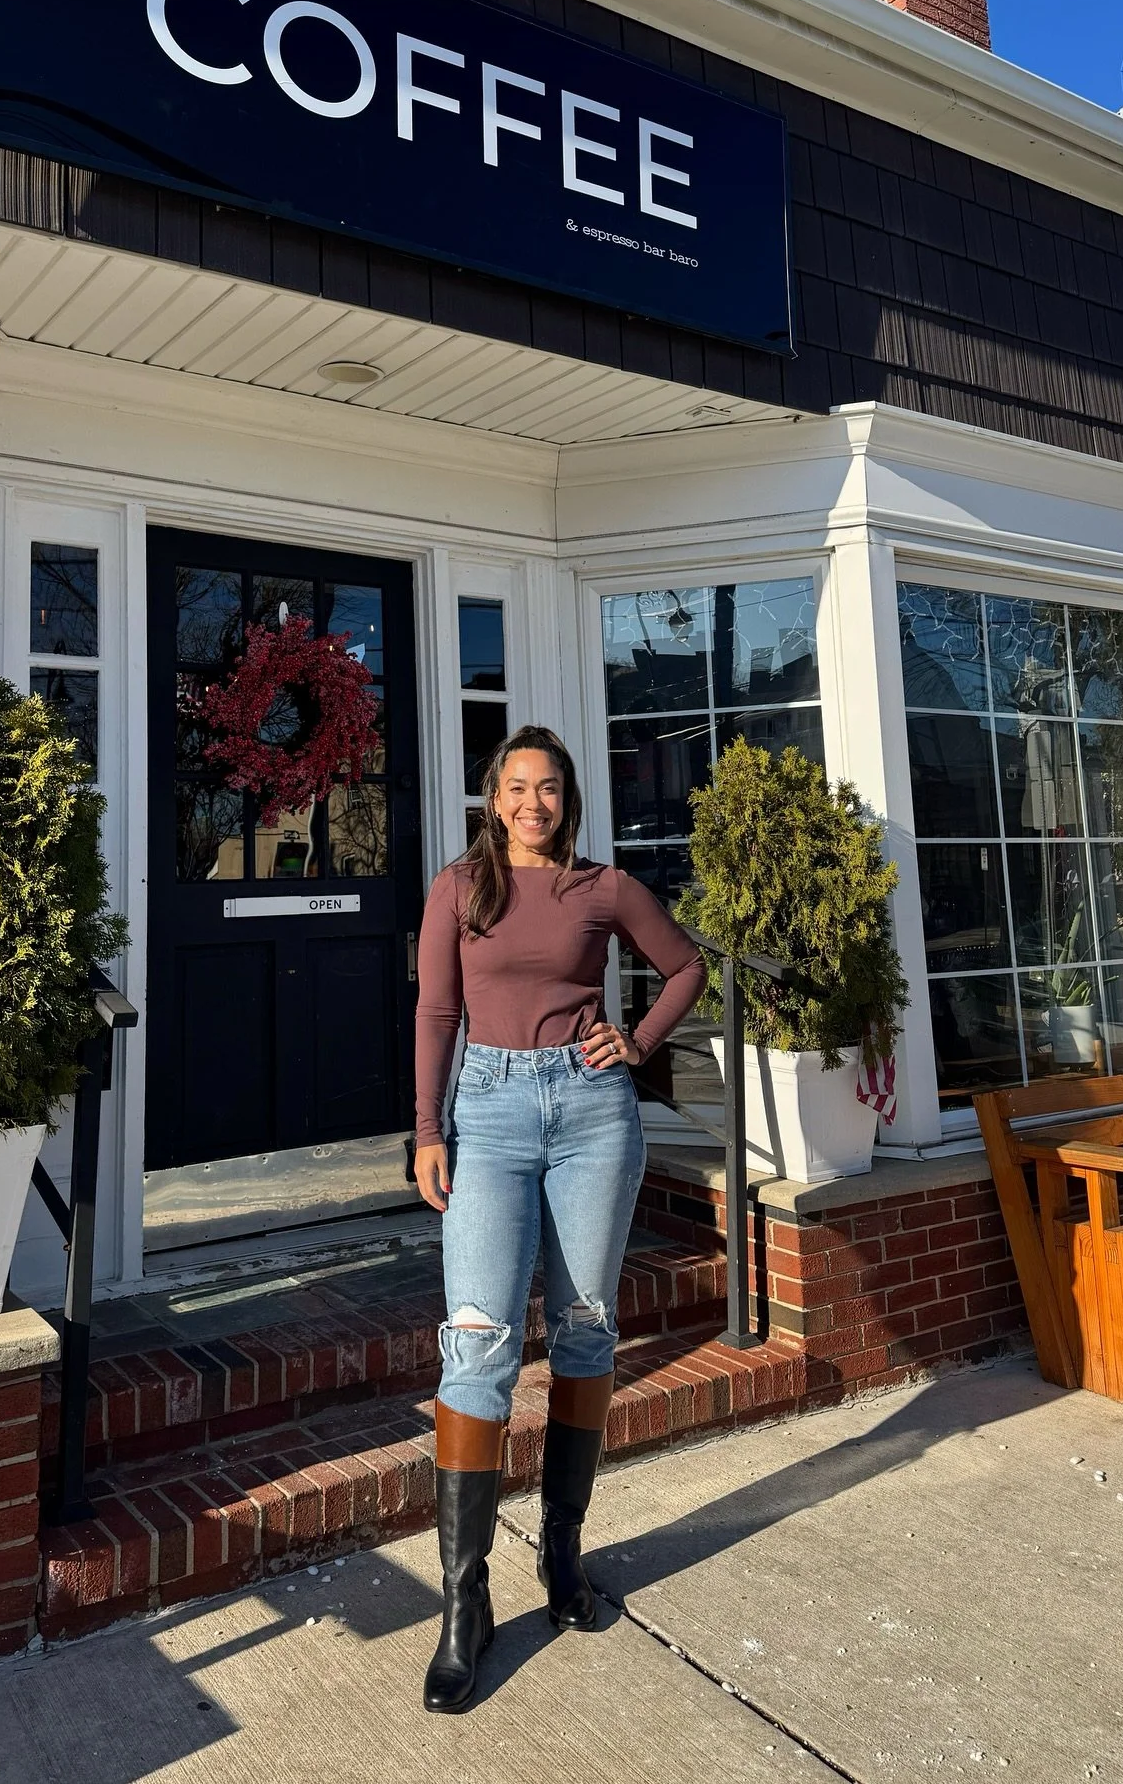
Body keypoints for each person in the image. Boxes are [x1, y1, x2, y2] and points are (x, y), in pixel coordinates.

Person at [413, 723, 705, 1712]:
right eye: (516, 787)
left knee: (584, 1329)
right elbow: (437, 1015)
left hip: (592, 1115)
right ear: (492, 799)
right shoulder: (459, 888)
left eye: (548, 788)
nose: (532, 802)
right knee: (477, 1341)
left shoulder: (604, 888)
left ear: (566, 801)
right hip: (489, 1113)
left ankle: (562, 1551)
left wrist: (637, 1041)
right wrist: (428, 1129)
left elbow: (686, 967)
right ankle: (465, 1602)